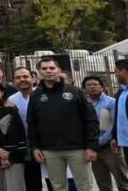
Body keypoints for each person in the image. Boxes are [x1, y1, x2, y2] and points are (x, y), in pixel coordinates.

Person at [28, 56, 100, 191]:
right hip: (50, 151)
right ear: (39, 72)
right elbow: (32, 123)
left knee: (85, 186)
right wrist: (35, 147)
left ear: (58, 70)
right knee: (58, 187)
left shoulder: (75, 91)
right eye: (44, 68)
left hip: (78, 149)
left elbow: (91, 119)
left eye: (52, 68)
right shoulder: (35, 95)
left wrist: (92, 146)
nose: (48, 71)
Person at [83, 75, 128, 191]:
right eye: (89, 85)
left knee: (122, 182)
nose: (92, 87)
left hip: (111, 148)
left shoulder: (111, 102)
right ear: (84, 89)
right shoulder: (84, 105)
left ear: (102, 87)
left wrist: (100, 141)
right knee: (102, 184)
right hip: (94, 150)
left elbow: (114, 125)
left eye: (95, 84)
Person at [7, 66, 44, 191]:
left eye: (25, 76)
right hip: (25, 148)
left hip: (46, 145)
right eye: (18, 77)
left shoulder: (42, 95)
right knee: (32, 183)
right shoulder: (11, 100)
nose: (22, 80)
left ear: (33, 78)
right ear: (13, 81)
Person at [114, 60, 128, 180]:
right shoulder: (121, 92)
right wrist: (116, 137)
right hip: (125, 142)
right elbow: (118, 116)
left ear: (123, 71)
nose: (116, 75)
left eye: (116, 72)